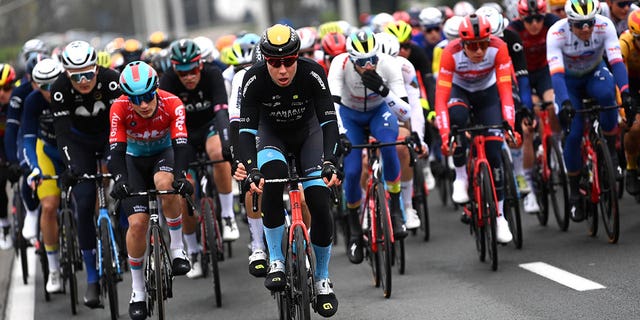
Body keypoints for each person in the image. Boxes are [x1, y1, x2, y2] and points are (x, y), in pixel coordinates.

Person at [239, 24, 340, 317]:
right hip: (272, 137)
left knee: (321, 204)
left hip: (309, 135)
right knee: (270, 182)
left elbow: (328, 123)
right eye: (274, 63)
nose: (282, 70)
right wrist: (251, 168)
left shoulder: (313, 72)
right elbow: (245, 130)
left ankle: (322, 278)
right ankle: (276, 260)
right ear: (264, 61)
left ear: (297, 57)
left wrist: (330, 161)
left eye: (288, 61)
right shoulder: (253, 79)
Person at [109, 61, 192, 320]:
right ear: (127, 97)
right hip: (133, 160)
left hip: (162, 154)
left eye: (147, 97)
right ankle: (138, 291)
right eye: (136, 99)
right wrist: (120, 179)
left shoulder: (172, 103)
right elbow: (115, 152)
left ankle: (178, 248)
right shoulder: (119, 107)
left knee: (165, 184)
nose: (143, 104)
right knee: (137, 224)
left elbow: (181, 145)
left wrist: (181, 176)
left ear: (156, 90)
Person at [328, 29, 412, 264]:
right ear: (352, 59)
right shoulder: (340, 63)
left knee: (389, 146)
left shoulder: (387, 65)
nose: (369, 66)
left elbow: (405, 112)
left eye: (372, 59)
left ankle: (395, 211)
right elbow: (331, 106)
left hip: (379, 111)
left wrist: (383, 90)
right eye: (363, 62)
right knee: (353, 171)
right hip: (349, 115)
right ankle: (355, 230)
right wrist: (341, 134)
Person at [50, 40, 121, 308]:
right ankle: (92, 277)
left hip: (109, 136)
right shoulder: (59, 89)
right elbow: (63, 133)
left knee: (123, 186)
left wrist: (117, 161)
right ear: (67, 74)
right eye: (75, 76)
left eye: (88, 74)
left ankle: (126, 236)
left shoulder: (111, 80)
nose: (83, 81)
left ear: (96, 68)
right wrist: (71, 166)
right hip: (78, 143)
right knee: (83, 199)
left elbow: (120, 122)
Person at [435, 14, 518, 244]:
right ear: (463, 44)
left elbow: (505, 91)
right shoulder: (450, 53)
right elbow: (441, 99)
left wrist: (510, 124)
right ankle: (460, 176)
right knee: (458, 119)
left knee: (494, 152)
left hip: (487, 93)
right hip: (459, 92)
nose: (479, 51)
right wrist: (445, 135)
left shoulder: (499, 47)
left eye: (483, 44)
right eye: (473, 45)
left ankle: (500, 217)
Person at [547, 0, 630, 221]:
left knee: (607, 95)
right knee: (573, 135)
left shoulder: (604, 26)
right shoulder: (556, 33)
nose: (586, 29)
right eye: (580, 24)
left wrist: (626, 92)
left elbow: (616, 61)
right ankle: (574, 193)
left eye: (589, 23)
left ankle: (611, 153)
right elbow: (555, 74)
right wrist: (564, 102)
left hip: (594, 73)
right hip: (569, 82)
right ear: (569, 22)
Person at [159, 38, 234, 279]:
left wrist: (227, 144)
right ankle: (192, 250)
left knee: (218, 154)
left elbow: (222, 112)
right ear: (174, 70)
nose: (188, 77)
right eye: (182, 73)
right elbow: (167, 124)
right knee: (184, 189)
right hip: (183, 135)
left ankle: (228, 215)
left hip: (210, 126)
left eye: (192, 71)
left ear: (200, 65)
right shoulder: (167, 82)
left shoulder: (213, 75)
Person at [22, 58, 65, 292]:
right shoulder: (32, 101)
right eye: (43, 86)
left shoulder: (70, 92)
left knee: (88, 198)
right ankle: (54, 268)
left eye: (53, 84)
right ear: (36, 85)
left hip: (73, 149)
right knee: (49, 206)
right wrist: (34, 168)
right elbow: (28, 140)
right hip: (46, 150)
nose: (49, 91)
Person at [620, 10, 640, 195]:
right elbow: (620, 80)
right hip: (629, 84)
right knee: (634, 127)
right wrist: (624, 113)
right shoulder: (624, 42)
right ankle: (631, 168)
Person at [0, 64, 15, 249]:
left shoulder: (19, 100)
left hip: (17, 143)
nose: (2, 93)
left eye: (6, 88)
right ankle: (4, 224)